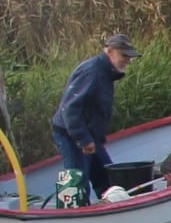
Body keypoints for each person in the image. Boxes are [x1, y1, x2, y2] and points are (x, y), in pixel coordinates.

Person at [51, 32, 137, 203]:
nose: (128, 60)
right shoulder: (92, 71)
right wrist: (83, 139)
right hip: (71, 134)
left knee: (107, 175)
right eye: (124, 55)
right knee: (76, 180)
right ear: (109, 51)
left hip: (89, 134)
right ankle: (73, 216)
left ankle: (111, 208)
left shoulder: (105, 71)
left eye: (130, 56)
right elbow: (70, 108)